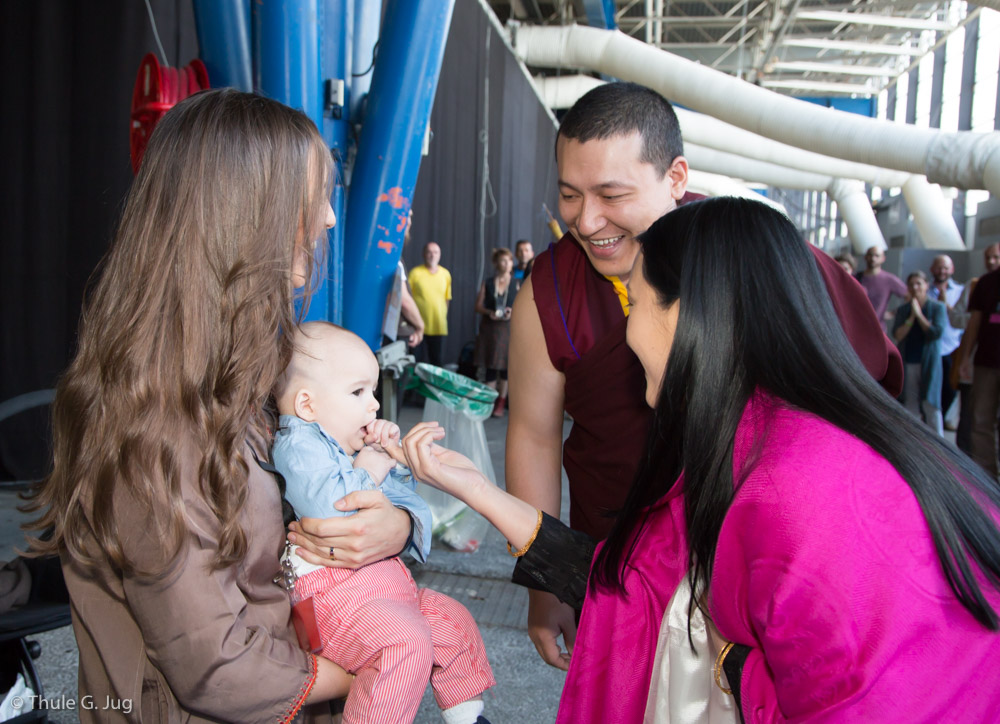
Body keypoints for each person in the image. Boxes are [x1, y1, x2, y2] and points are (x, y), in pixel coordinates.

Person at [404, 197, 1000, 723]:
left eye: (635, 302)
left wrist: (731, 665)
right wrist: (477, 489)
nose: (628, 331)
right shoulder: (763, 440)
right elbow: (643, 590)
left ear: (690, 313)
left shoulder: (798, 493)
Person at [23, 89, 413, 722]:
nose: (329, 220)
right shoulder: (152, 424)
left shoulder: (254, 371)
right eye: (312, 197)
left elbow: (336, 483)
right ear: (245, 212)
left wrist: (396, 525)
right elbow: (214, 665)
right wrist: (380, 666)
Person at [506, 80, 904, 671]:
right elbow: (534, 433)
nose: (587, 222)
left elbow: (859, 395)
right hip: (622, 555)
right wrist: (544, 580)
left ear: (676, 178)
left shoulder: (752, 254)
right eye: (568, 195)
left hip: (761, 555)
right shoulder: (551, 290)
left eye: (612, 195)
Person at [272, 322, 494, 724]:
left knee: (449, 618)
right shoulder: (297, 445)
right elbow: (331, 510)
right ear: (307, 405)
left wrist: (395, 462)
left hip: (382, 592)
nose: (374, 405)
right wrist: (371, 468)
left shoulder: (344, 446)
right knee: (404, 643)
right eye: (358, 392)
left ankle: (468, 715)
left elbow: (405, 511)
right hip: (329, 599)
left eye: (373, 392)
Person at [952, 243, 1000, 452]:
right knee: (980, 420)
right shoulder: (985, 283)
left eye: (995, 257)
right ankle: (986, 478)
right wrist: (965, 358)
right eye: (987, 257)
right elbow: (974, 322)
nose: (990, 261)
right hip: (985, 362)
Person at [893, 271, 948, 436]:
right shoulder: (903, 310)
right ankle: (912, 442)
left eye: (919, 283)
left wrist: (919, 315)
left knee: (931, 403)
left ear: (926, 285)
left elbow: (935, 333)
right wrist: (911, 316)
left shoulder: (938, 308)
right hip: (909, 360)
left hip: (929, 362)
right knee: (910, 404)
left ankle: (939, 448)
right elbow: (898, 334)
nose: (915, 287)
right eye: (911, 284)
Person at [473, 249, 518, 417]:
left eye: (509, 261)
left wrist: (512, 312)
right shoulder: (489, 282)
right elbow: (477, 307)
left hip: (508, 329)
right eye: (503, 261)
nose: (506, 264)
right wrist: (488, 312)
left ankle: (501, 403)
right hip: (490, 329)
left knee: (506, 368)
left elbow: (523, 306)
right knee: (490, 367)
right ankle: (489, 404)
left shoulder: (516, 282)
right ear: (496, 263)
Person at [928, 254, 965, 426]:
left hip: (951, 348)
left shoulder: (960, 291)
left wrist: (945, 305)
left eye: (945, 267)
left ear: (952, 270)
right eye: (939, 267)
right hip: (928, 347)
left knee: (949, 390)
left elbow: (961, 319)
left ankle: (940, 420)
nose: (942, 271)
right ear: (932, 269)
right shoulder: (924, 290)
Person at [409, 242, 452, 367]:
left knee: (437, 362)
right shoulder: (415, 273)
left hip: (438, 327)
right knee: (416, 363)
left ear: (440, 255)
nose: (432, 255)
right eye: (429, 252)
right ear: (423, 254)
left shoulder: (445, 274)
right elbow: (407, 298)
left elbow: (447, 299)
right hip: (417, 327)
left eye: (436, 252)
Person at [856, 245, 908, 332]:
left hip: (878, 328)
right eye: (871, 255)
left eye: (877, 255)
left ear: (883, 258)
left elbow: (908, 295)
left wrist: (894, 312)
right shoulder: (856, 278)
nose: (873, 258)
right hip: (856, 326)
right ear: (865, 257)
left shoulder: (889, 279)